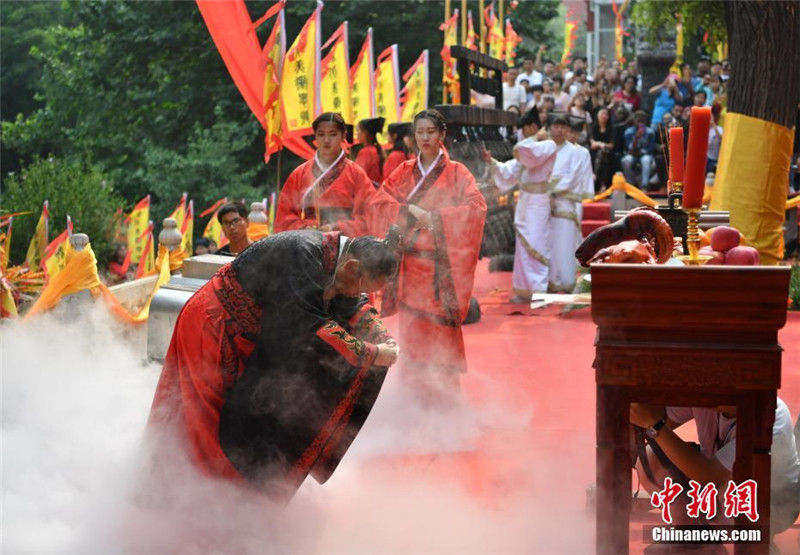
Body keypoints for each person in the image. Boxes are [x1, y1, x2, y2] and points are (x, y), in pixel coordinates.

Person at [147, 230, 400, 501]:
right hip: (213, 328)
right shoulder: (302, 254)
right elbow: (308, 327)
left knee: (218, 421)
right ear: (352, 266)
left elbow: (352, 304)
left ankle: (227, 499)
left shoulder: (337, 258)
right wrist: (370, 353)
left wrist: (378, 333)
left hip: (245, 335)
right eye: (361, 286)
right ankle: (204, 502)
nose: (359, 294)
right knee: (205, 423)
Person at [369, 109, 487, 402]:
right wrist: (408, 213)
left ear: (442, 135)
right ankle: (413, 397)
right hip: (410, 267)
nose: (424, 138)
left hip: (440, 270)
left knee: (440, 333)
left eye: (431, 132)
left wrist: (436, 218)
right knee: (413, 331)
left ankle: (445, 398)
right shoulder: (403, 171)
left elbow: (476, 208)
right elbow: (379, 202)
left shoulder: (458, 172)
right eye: (420, 132)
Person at [630, 398, 800, 537]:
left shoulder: (771, 417)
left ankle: (758, 543)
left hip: (768, 505)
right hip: (719, 487)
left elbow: (708, 474)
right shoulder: (708, 394)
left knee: (724, 489)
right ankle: (691, 535)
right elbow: (661, 417)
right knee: (652, 459)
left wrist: (654, 425)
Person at [482, 106, 557, 302]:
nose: (522, 134)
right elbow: (509, 171)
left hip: (539, 204)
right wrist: (492, 162)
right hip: (525, 203)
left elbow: (524, 151)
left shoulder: (547, 145)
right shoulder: (529, 150)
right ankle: (524, 291)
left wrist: (535, 137)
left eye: (524, 129)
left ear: (533, 127)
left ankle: (539, 292)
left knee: (537, 246)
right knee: (524, 248)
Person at [275, 112, 378, 236]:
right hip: (306, 243)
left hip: (346, 246)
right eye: (321, 134)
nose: (326, 140)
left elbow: (372, 216)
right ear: (315, 137)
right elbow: (284, 218)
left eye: (333, 134)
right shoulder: (299, 174)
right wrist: (304, 228)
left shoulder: (356, 174)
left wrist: (338, 227)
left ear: (343, 136)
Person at [547, 115, 594, 292]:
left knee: (566, 242)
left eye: (563, 127)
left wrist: (550, 190)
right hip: (546, 204)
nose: (560, 130)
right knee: (549, 243)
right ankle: (551, 281)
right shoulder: (546, 149)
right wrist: (545, 193)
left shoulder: (576, 152)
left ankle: (567, 281)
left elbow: (574, 177)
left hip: (567, 201)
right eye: (555, 126)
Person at [622, 111, 657, 190]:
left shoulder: (650, 132)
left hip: (645, 154)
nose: (640, 123)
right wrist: (636, 138)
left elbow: (651, 149)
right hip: (632, 154)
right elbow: (629, 148)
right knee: (626, 160)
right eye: (638, 121)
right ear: (634, 121)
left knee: (646, 160)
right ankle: (630, 185)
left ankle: (644, 185)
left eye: (643, 121)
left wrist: (641, 152)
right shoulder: (628, 132)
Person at [354, 117, 386, 186]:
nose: (356, 134)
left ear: (365, 133)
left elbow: (357, 176)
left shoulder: (366, 152)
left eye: (358, 131)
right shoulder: (376, 149)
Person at [590, 107, 616, 192]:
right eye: (602, 114)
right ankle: (602, 184)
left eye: (606, 114)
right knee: (601, 157)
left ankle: (595, 176)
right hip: (594, 151)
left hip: (608, 151)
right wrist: (600, 145)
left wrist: (601, 144)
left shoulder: (612, 128)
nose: (604, 116)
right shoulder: (592, 126)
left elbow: (611, 145)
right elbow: (592, 142)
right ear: (597, 115)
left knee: (603, 154)